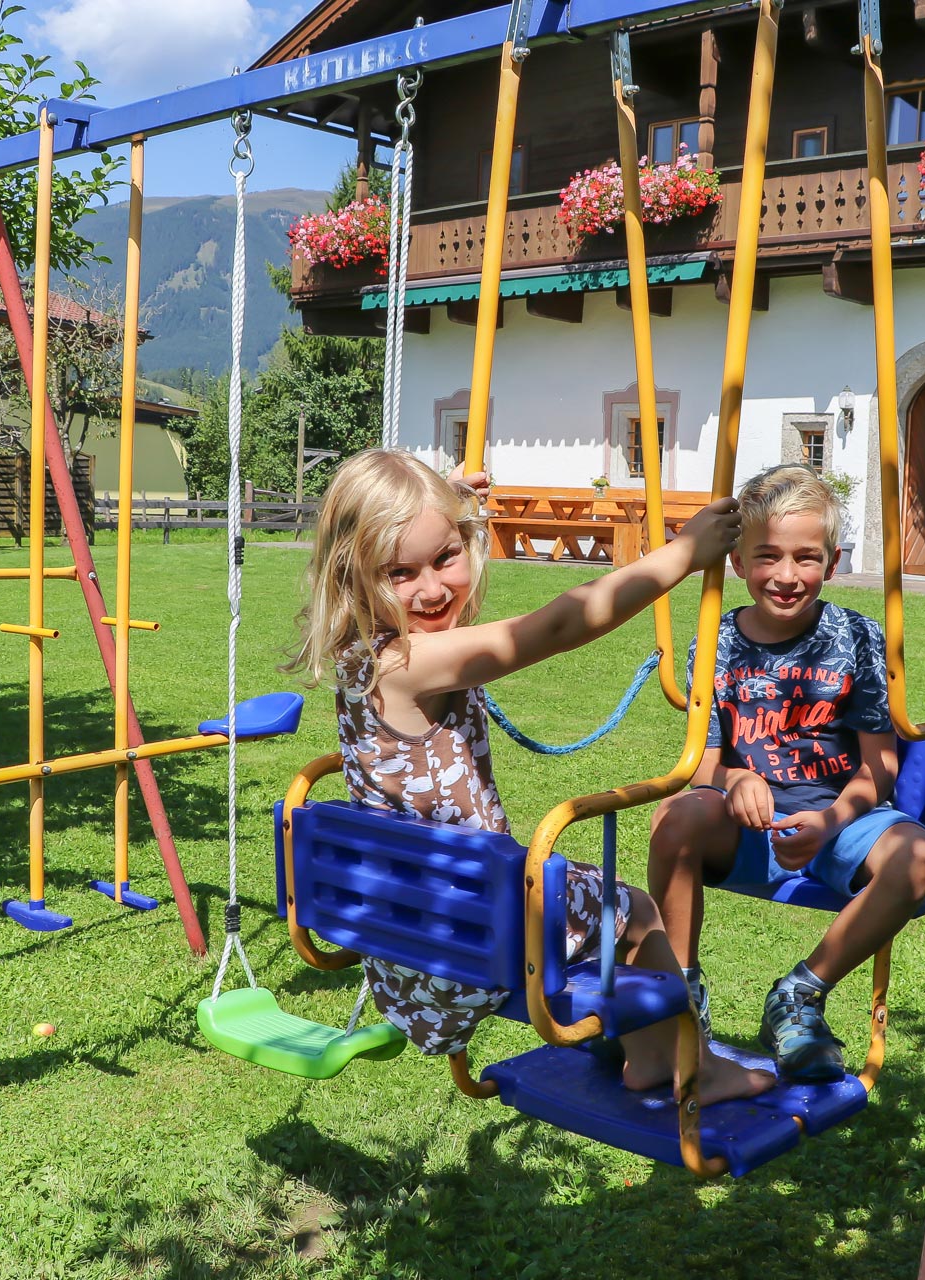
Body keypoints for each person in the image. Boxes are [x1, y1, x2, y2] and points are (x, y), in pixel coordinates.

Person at [288, 449, 774, 1104]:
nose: (433, 589)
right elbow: (559, 624)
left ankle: (646, 1048)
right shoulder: (409, 661)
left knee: (592, 899)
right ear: (354, 575)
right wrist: (681, 555)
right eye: (399, 572)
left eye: (445, 557)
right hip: (475, 942)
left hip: (410, 952)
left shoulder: (359, 656)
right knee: (636, 911)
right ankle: (688, 1066)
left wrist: (451, 497)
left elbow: (420, 554)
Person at [646, 465, 925, 1082]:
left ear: (832, 563)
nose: (786, 576)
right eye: (768, 557)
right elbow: (702, 762)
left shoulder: (857, 638)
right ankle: (678, 999)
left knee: (919, 855)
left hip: (838, 816)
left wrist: (833, 817)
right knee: (675, 815)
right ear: (737, 564)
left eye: (806, 558)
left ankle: (800, 994)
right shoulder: (717, 640)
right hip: (747, 822)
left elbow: (878, 763)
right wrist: (735, 780)